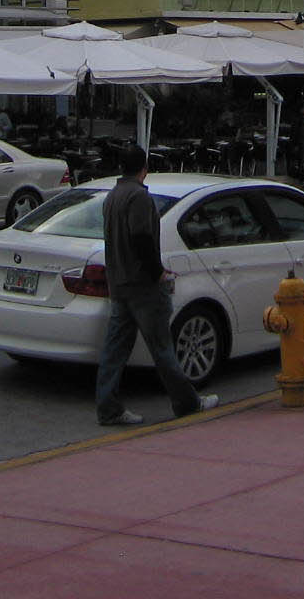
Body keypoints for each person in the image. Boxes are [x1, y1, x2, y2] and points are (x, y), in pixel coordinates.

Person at [95, 142, 216, 426]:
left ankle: (108, 406)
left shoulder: (112, 196)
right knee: (162, 347)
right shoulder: (138, 197)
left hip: (119, 282)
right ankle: (187, 402)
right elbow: (141, 238)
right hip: (142, 285)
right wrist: (157, 272)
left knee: (115, 349)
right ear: (144, 169)